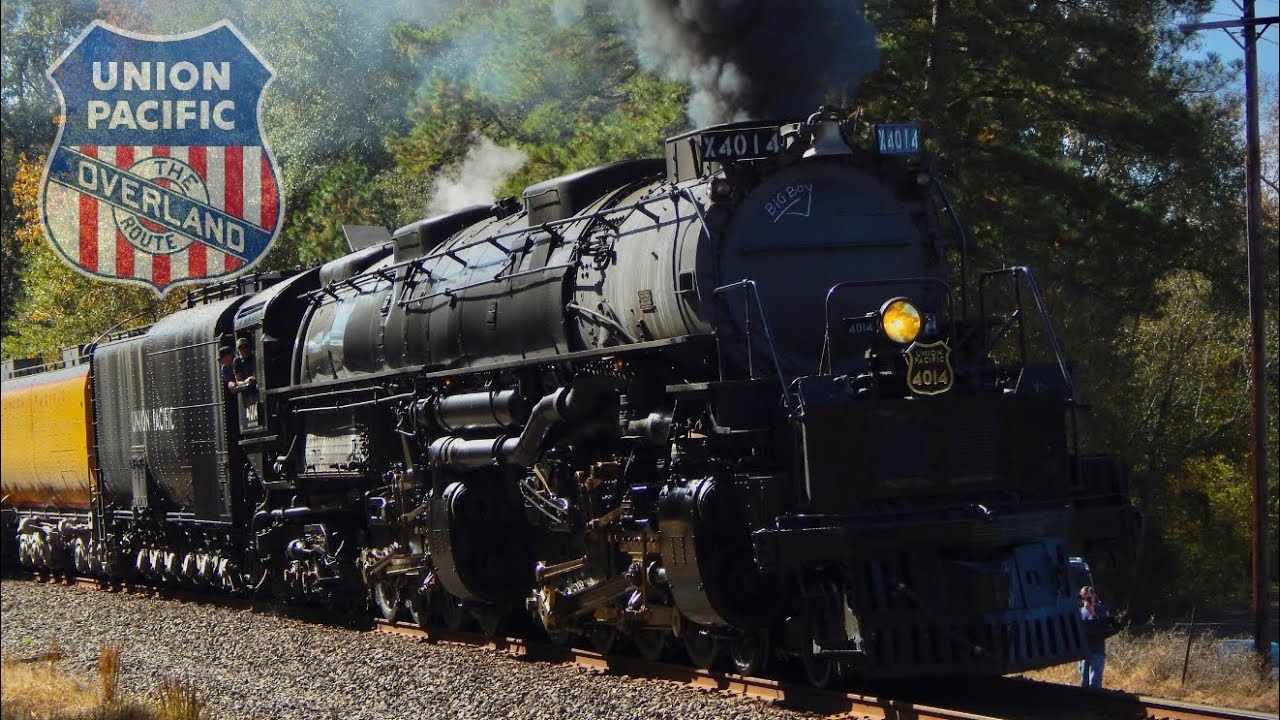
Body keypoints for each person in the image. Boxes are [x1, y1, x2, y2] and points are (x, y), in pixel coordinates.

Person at [1079, 585, 1110, 688]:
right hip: (1083, 652)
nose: (1085, 600)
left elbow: (1103, 627)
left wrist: (1092, 611)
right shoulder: (1079, 612)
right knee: (1084, 683)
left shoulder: (1101, 609)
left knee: (1095, 683)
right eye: (1083, 597)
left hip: (1097, 651)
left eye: (1088, 597)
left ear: (1094, 596)